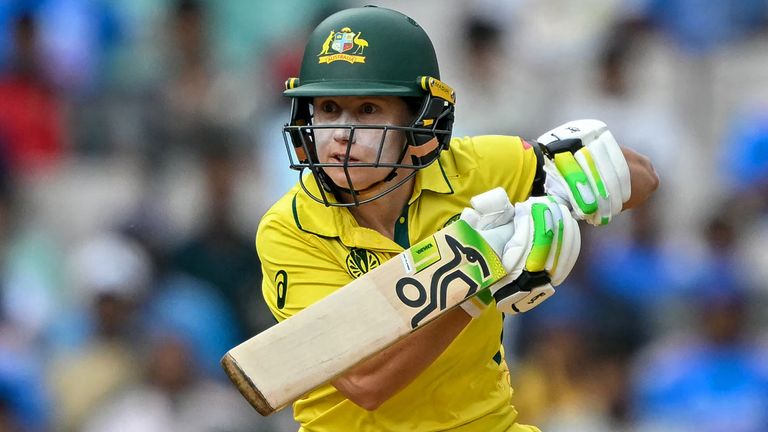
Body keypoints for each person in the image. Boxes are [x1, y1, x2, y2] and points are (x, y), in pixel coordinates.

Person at [255, 6, 658, 431]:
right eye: (329, 108)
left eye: (368, 109)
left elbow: (643, 178)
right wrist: (475, 280)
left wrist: (560, 193)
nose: (340, 133)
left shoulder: (473, 170)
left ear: (420, 119)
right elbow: (365, 381)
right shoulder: (289, 229)